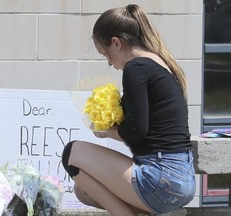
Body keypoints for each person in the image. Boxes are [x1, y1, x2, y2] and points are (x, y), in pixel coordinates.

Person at [61, 4, 196, 216]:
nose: (110, 63)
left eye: (106, 54)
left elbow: (136, 131)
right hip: (183, 179)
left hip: (161, 178)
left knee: (71, 152)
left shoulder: (136, 67)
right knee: (84, 191)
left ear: (116, 43)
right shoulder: (161, 63)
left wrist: (106, 131)